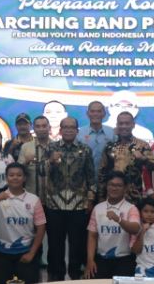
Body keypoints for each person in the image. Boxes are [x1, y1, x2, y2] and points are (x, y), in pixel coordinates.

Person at [43, 117, 96, 281]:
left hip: (78, 205)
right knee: (55, 244)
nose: (68, 130)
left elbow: (91, 177)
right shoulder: (50, 148)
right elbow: (41, 171)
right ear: (60, 130)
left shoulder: (85, 150)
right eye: (65, 127)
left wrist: (90, 200)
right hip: (54, 204)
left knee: (77, 244)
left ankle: (75, 275)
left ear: (77, 131)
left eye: (72, 127)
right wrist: (50, 161)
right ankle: (56, 276)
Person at [0, 163, 46, 284]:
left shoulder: (33, 199)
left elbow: (41, 228)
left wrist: (32, 253)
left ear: (24, 178)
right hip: (1, 253)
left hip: (25, 252)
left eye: (19, 175)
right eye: (11, 175)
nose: (15, 178)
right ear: (6, 178)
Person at [84, 171, 142, 279]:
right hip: (101, 259)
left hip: (124, 260)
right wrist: (90, 260)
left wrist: (119, 219)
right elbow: (92, 236)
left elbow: (135, 228)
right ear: (106, 186)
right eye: (111, 185)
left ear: (125, 188)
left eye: (119, 185)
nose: (114, 188)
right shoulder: (98, 208)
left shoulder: (131, 208)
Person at [98, 111, 154, 203]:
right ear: (117, 125)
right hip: (111, 196)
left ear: (133, 125)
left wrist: (143, 159)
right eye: (121, 123)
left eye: (127, 123)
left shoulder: (142, 145)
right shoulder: (109, 146)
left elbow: (153, 166)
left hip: (134, 197)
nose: (124, 126)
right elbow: (102, 173)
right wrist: (101, 196)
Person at [18, 116, 52, 203]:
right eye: (38, 126)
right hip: (31, 198)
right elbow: (18, 172)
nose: (41, 129)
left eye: (44, 126)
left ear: (49, 128)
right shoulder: (25, 147)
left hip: (53, 199)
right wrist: (26, 162)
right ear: (34, 129)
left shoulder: (57, 147)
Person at [77, 101, 114, 170]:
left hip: (106, 174)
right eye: (92, 111)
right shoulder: (79, 133)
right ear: (87, 114)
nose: (95, 114)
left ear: (104, 114)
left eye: (99, 111)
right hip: (84, 174)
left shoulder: (112, 133)